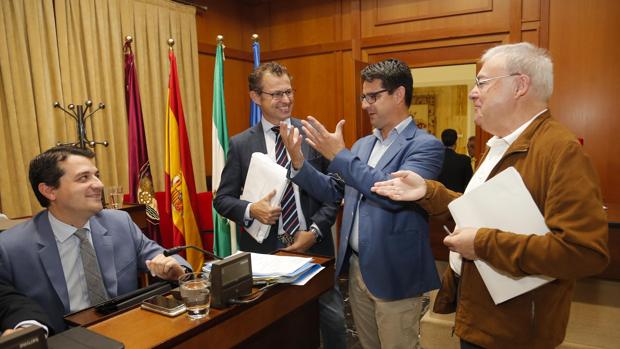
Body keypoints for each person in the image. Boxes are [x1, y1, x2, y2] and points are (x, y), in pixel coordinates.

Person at [371, 43, 609, 349]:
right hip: (481, 316)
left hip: (514, 332)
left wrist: (481, 244)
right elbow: (482, 211)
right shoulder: (498, 146)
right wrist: (428, 191)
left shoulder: (560, 152)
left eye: (482, 82)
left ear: (520, 85)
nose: (473, 92)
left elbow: (584, 252)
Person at [279, 58, 444, 348]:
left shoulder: (424, 145)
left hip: (395, 272)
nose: (366, 105)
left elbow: (392, 192)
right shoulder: (362, 146)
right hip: (357, 268)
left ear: (399, 94)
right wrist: (299, 161)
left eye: (373, 96)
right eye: (363, 97)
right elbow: (333, 191)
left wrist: (340, 155)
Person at [213, 62, 347, 349]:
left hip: (314, 249)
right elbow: (222, 200)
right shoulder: (240, 145)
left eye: (288, 92)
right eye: (276, 94)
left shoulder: (313, 135)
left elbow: (334, 192)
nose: (285, 100)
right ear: (255, 97)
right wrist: (251, 210)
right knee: (275, 329)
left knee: (333, 323)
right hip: (266, 254)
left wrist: (315, 229)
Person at [0, 146, 191, 333]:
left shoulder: (119, 223)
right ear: (49, 191)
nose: (99, 184)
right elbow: (6, 303)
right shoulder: (11, 247)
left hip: (128, 333)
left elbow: (160, 255)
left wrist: (177, 270)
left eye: (96, 175)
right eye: (83, 178)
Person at [437, 128, 473, 192]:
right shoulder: (464, 160)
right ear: (456, 142)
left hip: (438, 198)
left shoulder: (434, 159)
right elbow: (470, 184)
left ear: (442, 141)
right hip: (457, 199)